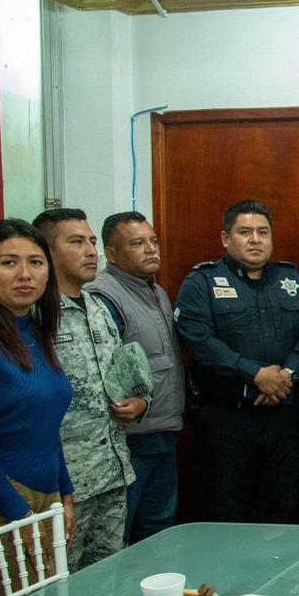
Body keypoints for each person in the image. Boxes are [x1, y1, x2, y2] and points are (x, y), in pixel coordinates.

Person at [174, 200, 299, 523]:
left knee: (284, 512)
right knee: (227, 514)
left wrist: (287, 376)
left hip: (285, 419)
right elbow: (200, 341)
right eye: (245, 232)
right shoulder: (202, 282)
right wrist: (255, 375)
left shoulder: (293, 281)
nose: (255, 239)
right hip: (228, 421)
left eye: (263, 232)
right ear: (226, 238)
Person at [33, 209, 147, 570]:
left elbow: (119, 372)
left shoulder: (98, 308)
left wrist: (140, 402)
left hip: (112, 472)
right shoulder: (36, 315)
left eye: (92, 241)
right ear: (47, 252)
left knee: (107, 578)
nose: (90, 251)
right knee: (62, 583)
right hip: (66, 482)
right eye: (76, 242)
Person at [0, 220, 75, 585]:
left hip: (45, 494)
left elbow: (45, 423)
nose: (25, 274)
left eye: (36, 262)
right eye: (9, 262)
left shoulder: (35, 330)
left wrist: (65, 493)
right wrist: (20, 514)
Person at [88, 212, 184, 544]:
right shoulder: (103, 296)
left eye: (153, 241)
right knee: (122, 534)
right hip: (130, 439)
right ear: (111, 254)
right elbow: (104, 369)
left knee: (158, 529)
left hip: (163, 429)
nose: (151, 249)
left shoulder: (156, 291)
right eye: (137, 243)